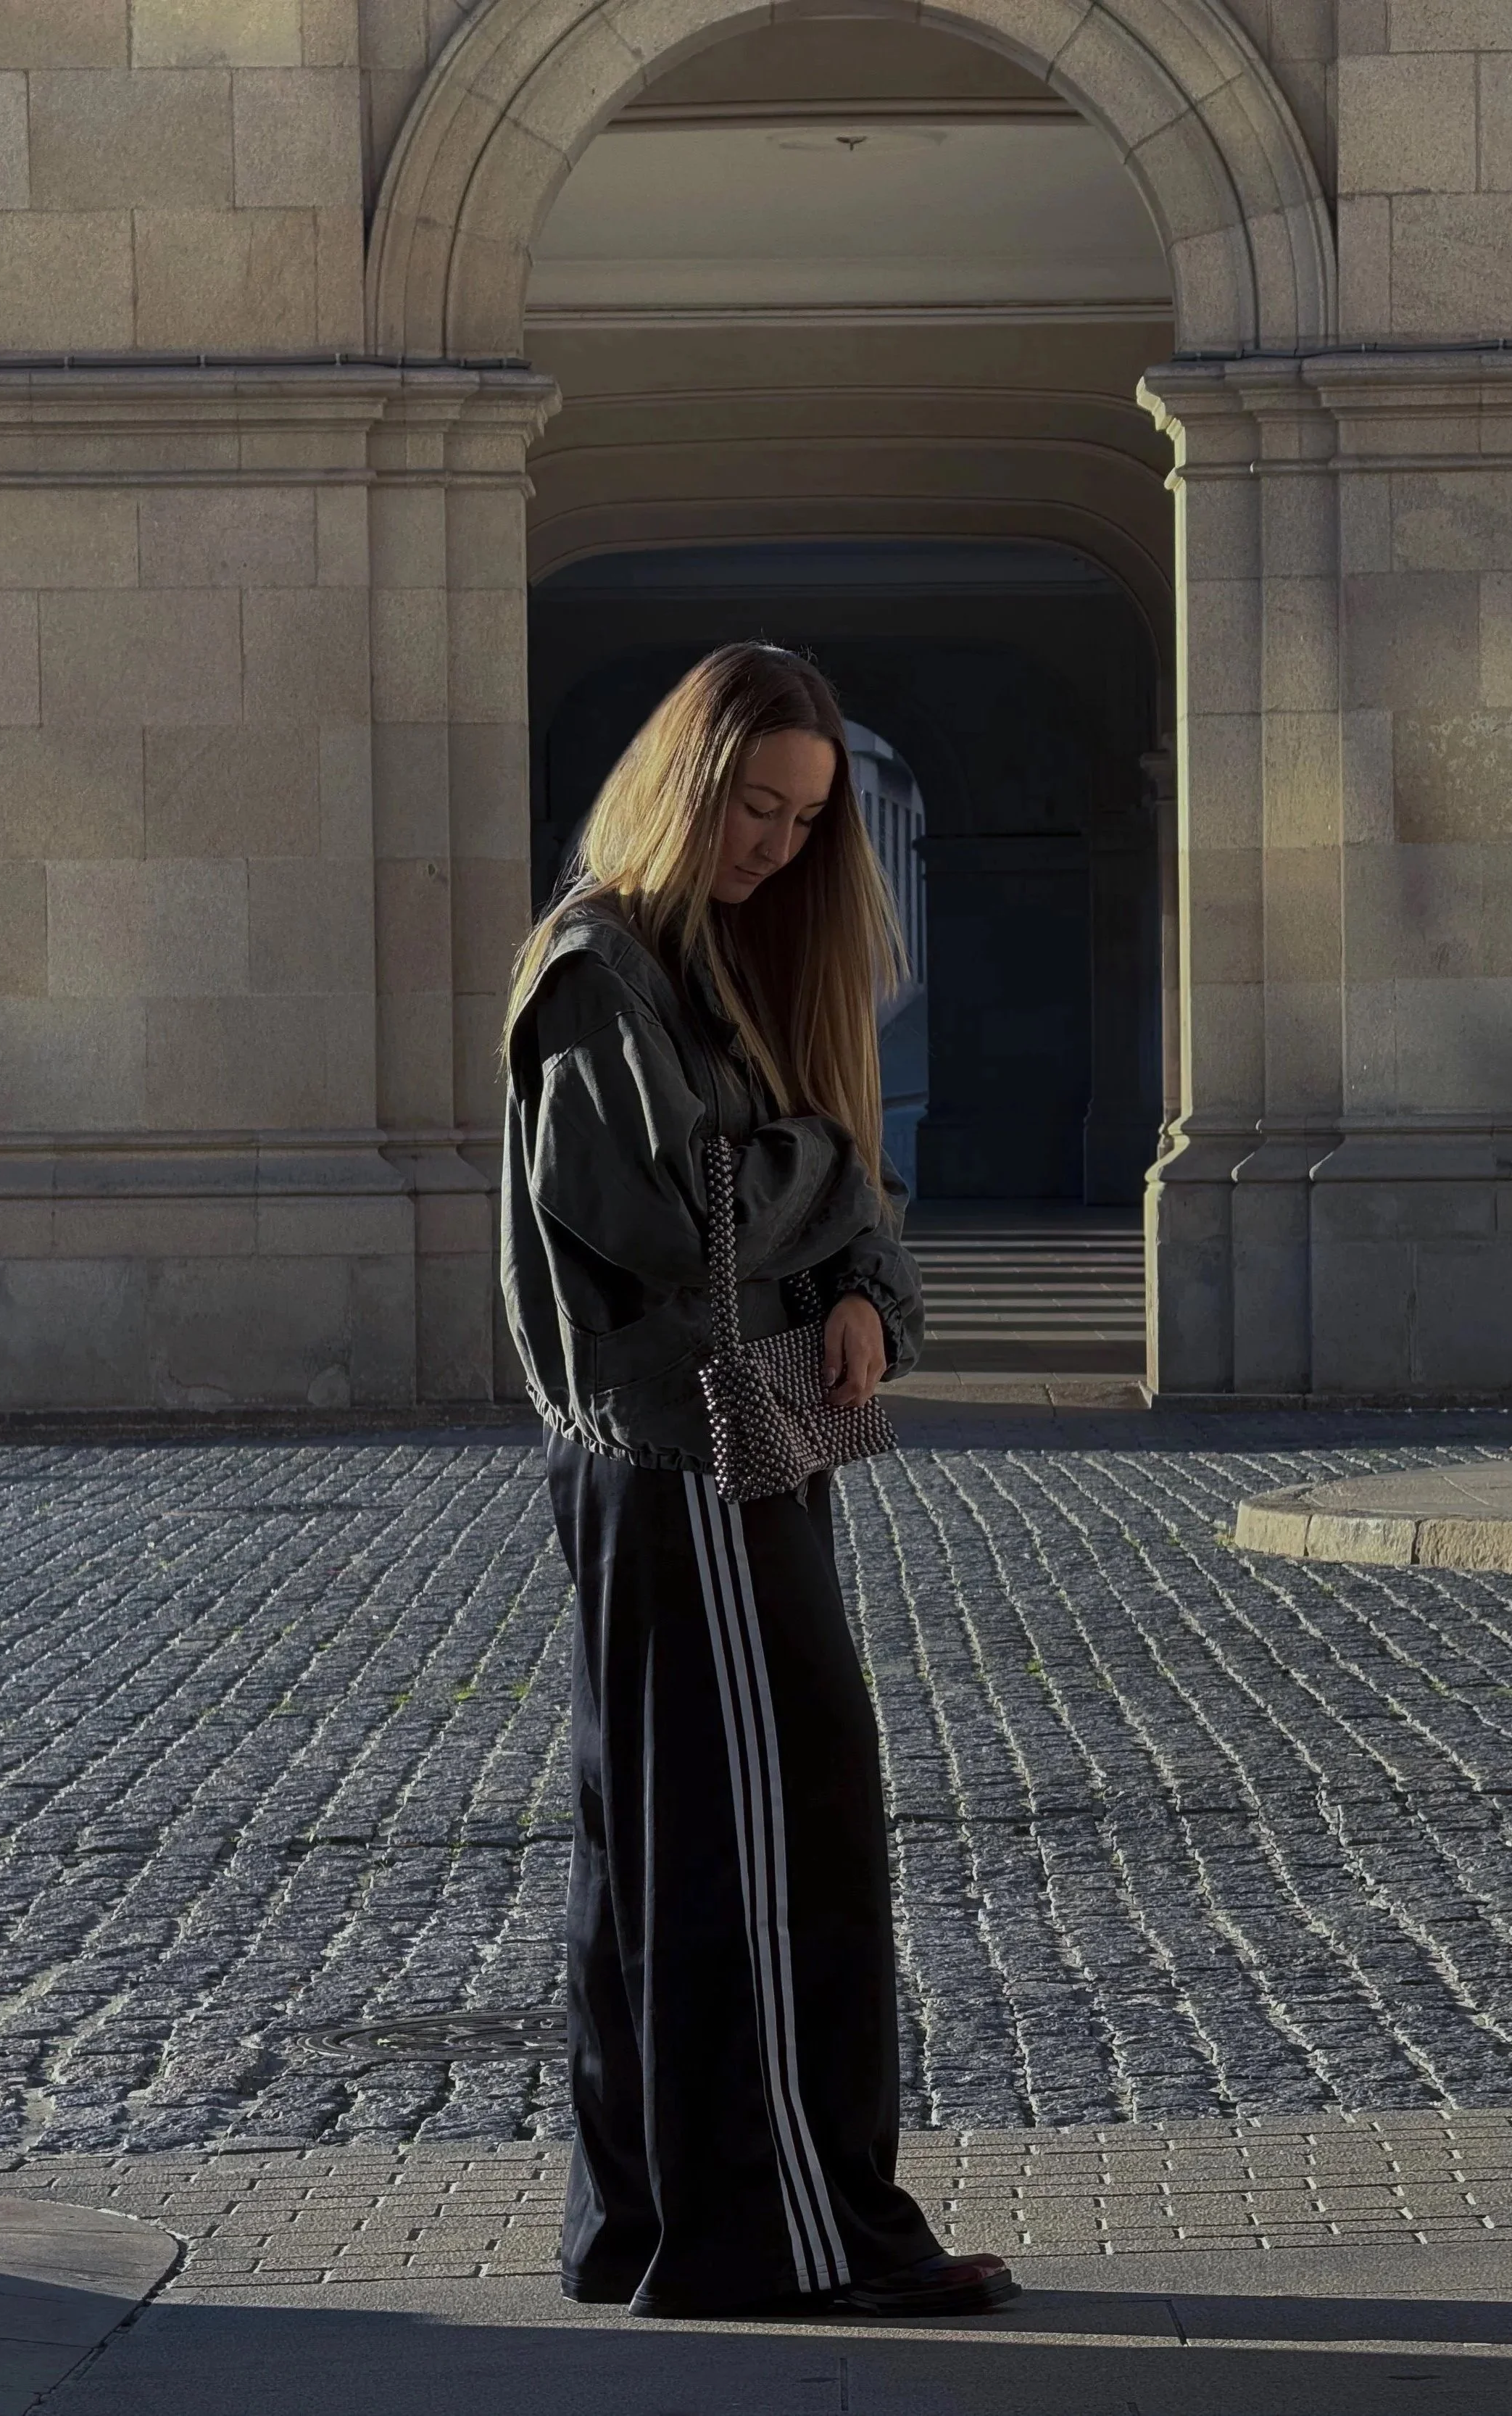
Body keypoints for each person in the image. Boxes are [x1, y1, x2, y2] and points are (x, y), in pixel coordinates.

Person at [500, 642, 1018, 2322]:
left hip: (730, 1442)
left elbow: (803, 1209)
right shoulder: (597, 971)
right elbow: (671, 1217)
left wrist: (860, 1272)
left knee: (668, 1843)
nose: (777, 847)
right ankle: (790, 2239)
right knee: (771, 1840)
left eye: (806, 820)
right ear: (686, 781)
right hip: (676, 1454)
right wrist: (830, 1182)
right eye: (754, 807)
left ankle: (644, 2226)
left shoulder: (713, 969)